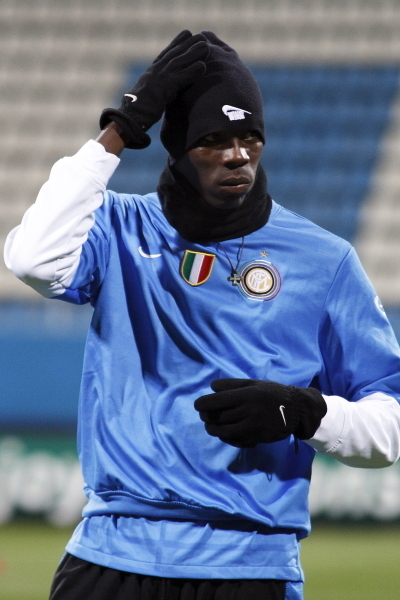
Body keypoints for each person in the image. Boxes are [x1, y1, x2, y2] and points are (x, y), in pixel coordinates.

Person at [4, 30, 400, 600]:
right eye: (212, 139)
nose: (237, 154)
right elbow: (33, 260)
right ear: (176, 149)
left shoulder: (325, 260)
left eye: (250, 136)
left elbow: (389, 429)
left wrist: (306, 412)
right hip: (112, 552)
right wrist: (118, 131)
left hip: (249, 565)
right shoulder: (119, 227)